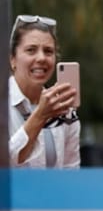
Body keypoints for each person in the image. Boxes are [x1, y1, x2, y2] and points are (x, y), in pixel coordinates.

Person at [8, 15, 80, 168]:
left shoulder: (63, 109)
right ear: (12, 59)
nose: (41, 58)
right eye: (31, 50)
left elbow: (70, 172)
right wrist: (40, 115)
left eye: (48, 51)